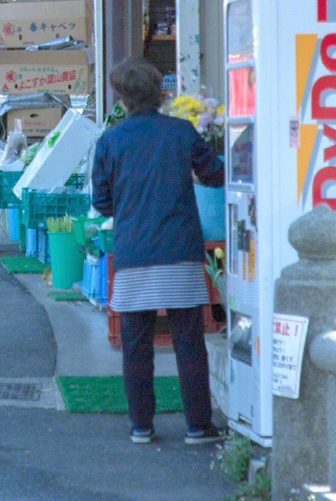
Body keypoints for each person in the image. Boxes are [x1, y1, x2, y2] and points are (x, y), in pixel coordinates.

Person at [92, 57, 225, 445]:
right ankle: (198, 426)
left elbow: (101, 202)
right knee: (189, 341)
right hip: (180, 250)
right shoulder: (182, 132)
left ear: (121, 97)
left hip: (134, 253)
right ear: (159, 91)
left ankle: (141, 426)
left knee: (136, 345)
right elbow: (215, 175)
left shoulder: (110, 140)